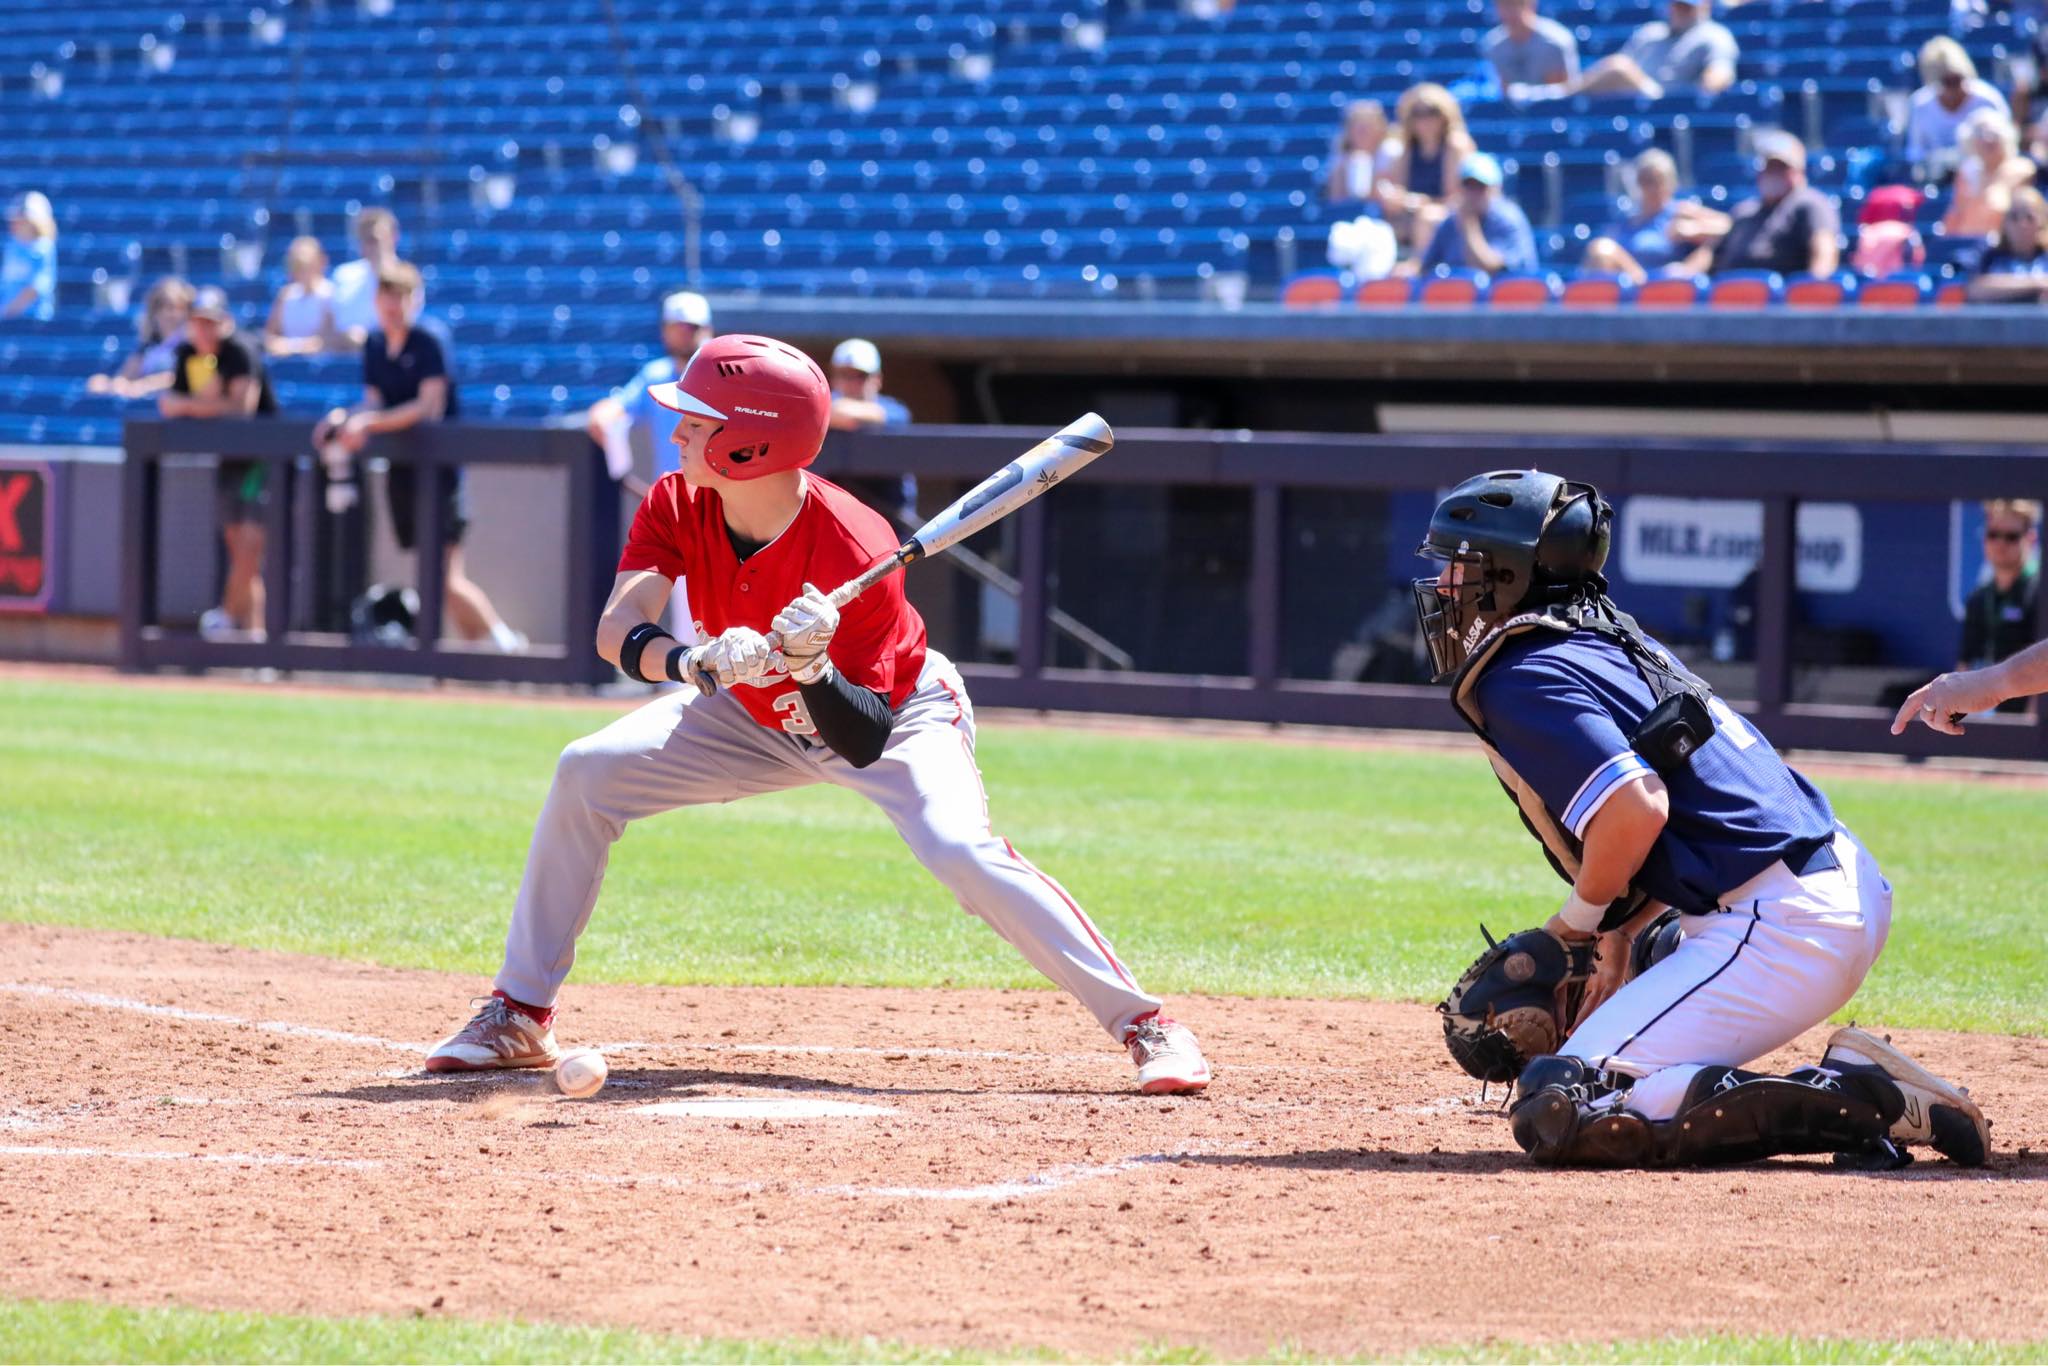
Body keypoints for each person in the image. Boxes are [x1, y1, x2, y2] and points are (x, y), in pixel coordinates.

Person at [421, 333, 1211, 1097]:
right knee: (586, 772)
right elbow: (615, 630)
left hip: (895, 715)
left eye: (698, 420)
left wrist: (816, 668)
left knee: (959, 851)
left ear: (751, 446)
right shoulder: (676, 498)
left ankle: (1145, 1022)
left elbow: (861, 738)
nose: (678, 429)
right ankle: (521, 1013)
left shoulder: (854, 546)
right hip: (747, 714)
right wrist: (693, 662)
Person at [1419, 469, 1987, 1169]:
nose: (1445, 583)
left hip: (1779, 926)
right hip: (1828, 888)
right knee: (1648, 966)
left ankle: (1859, 1097)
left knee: (1565, 1103)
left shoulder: (1526, 668)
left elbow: (1636, 806)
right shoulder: (1611, 641)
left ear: (1508, 573)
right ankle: (1851, 1086)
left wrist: (1575, 924)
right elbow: (1692, 815)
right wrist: (1619, 935)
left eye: (1461, 562)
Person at [311, 262, 524, 653]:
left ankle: (503, 643)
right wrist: (345, 418)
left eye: (401, 296)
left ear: (415, 300)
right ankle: (481, 647)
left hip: (439, 473)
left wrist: (369, 423)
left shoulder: (429, 339)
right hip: (403, 473)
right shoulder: (375, 344)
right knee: (434, 577)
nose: (393, 305)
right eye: (386, 296)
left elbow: (428, 407)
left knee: (443, 577)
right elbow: (372, 402)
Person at [157, 288, 278, 639]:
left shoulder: (241, 349)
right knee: (239, 547)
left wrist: (193, 405)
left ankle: (226, 617)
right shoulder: (187, 354)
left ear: (225, 323)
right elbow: (169, 404)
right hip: (228, 461)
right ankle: (255, 638)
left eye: (211, 322)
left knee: (250, 546)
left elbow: (241, 410)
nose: (205, 330)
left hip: (260, 458)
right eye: (198, 322)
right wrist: (201, 403)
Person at [582, 289, 714, 500]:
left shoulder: (720, 374)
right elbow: (617, 407)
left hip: (717, 498)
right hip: (672, 500)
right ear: (664, 331)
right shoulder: (655, 375)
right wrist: (602, 415)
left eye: (691, 327)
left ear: (707, 330)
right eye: (676, 327)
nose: (684, 333)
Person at [1703, 132, 1840, 278]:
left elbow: (1824, 251)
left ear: (1799, 172)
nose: (1774, 174)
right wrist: (1682, 275)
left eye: (1782, 168)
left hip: (1780, 298)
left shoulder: (1810, 204)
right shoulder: (1743, 211)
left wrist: (1815, 289)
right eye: (1770, 167)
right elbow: (1709, 253)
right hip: (1731, 294)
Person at [1949, 499, 2041, 716]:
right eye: (1993, 535)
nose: (2000, 543)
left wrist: (2032, 729)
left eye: (2011, 537)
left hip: (2027, 727)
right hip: (1984, 722)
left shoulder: (2040, 593)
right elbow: (1965, 665)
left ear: (2030, 539)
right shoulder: (1978, 598)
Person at [1581, 149, 1729, 282]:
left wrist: (1693, 229)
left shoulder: (1680, 212)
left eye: (1658, 181)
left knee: (1603, 249)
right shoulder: (1626, 222)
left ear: (1671, 183)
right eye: (1646, 181)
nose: (1652, 188)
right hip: (1631, 287)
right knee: (1601, 251)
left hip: (1666, 286)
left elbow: (1731, 227)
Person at [1379, 83, 1478, 254]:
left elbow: (1459, 198)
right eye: (1417, 114)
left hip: (1458, 214)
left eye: (1432, 112)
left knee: (1427, 218)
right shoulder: (1408, 149)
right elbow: (1398, 191)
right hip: (1415, 215)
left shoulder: (1456, 145)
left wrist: (1422, 203)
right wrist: (1395, 199)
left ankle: (1421, 270)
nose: (1425, 120)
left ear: (1445, 114)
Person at [1572, 0, 1739, 100]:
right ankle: (1563, 97)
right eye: (1677, 5)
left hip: (1668, 100)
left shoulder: (1714, 34)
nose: (1680, 10)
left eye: (1687, 7)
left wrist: (1694, 100)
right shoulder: (1650, 32)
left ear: (1705, 6)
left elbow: (1720, 75)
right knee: (1617, 67)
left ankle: (1562, 94)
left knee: (1619, 68)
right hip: (1635, 97)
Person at [1413, 152, 1537, 275]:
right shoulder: (1450, 223)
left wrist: (1469, 226)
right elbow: (1425, 269)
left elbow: (1490, 270)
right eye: (1468, 186)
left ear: (1495, 189)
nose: (1473, 194)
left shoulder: (1509, 220)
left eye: (1480, 187)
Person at [1906, 37, 2011, 178]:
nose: (1955, 88)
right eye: (1947, 82)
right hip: (1937, 177)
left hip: (1983, 175)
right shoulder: (1920, 104)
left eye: (1958, 79)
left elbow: (2007, 143)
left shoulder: (1987, 98)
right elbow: (1915, 151)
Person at [87, 276, 192, 400]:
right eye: (162, 307)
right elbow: (126, 377)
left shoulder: (191, 343)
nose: (169, 314)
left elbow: (183, 377)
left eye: (176, 308)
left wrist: (144, 385)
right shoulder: (147, 346)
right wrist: (111, 384)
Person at [329, 207, 421, 345]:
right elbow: (330, 326)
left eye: (375, 239)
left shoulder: (407, 277)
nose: (371, 245)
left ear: (393, 237)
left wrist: (368, 340)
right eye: (365, 239)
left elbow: (407, 326)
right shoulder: (342, 276)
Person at [1941, 112, 2037, 240]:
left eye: (1994, 134)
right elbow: (1955, 213)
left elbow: (1997, 203)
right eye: (1980, 135)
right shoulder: (1966, 171)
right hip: (1966, 243)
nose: (1988, 139)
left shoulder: (2021, 168)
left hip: (2002, 245)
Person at [1482, 0, 1581, 102]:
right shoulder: (1493, 45)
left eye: (1515, 4)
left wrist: (1527, 94)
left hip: (1553, 113)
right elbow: (1502, 90)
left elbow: (1564, 92)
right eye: (1504, 5)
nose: (1510, 11)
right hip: (1511, 114)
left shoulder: (1555, 42)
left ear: (1531, 4)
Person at [1966, 185, 2048, 300]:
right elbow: (1975, 289)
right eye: (2014, 217)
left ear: (2041, 222)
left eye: (2030, 218)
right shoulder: (1990, 255)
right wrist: (2036, 284)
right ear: (2004, 222)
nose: (2022, 224)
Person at [263, 235, 338, 357]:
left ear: (320, 262)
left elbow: (328, 339)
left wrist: (291, 347)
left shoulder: (330, 294)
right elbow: (269, 337)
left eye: (307, 264)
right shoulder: (285, 296)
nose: (302, 270)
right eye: (297, 264)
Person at [1325, 99, 1398, 204]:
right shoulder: (1341, 157)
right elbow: (1336, 200)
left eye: (1368, 125)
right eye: (1358, 126)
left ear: (1381, 127)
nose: (1363, 131)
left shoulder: (1392, 152)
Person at [2, 190, 58, 321]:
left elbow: (36, 288)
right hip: (8, 319)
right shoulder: (12, 247)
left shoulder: (43, 248)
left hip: (33, 322)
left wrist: (9, 310)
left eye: (21, 220)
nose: (15, 225)